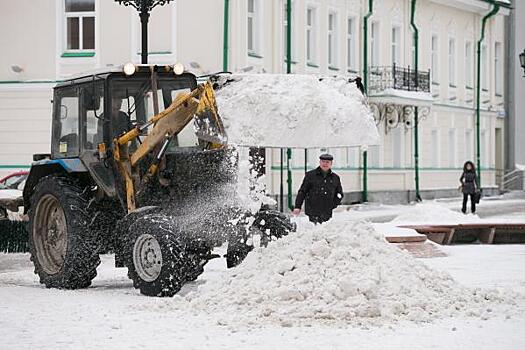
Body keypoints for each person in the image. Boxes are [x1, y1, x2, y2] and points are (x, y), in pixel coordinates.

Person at [293, 153, 344, 224]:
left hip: (327, 210)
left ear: (331, 164)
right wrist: (297, 206)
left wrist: (333, 204)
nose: (325, 164)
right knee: (315, 228)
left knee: (325, 230)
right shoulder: (310, 175)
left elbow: (339, 194)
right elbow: (302, 191)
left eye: (327, 162)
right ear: (320, 162)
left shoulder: (335, 177)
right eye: (323, 161)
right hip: (312, 209)